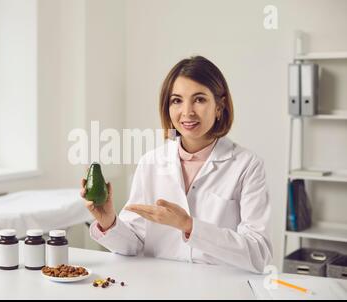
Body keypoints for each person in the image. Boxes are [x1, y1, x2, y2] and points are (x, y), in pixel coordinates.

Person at [80, 56, 272, 273]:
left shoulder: (247, 165)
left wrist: (189, 226)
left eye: (199, 99)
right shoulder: (151, 162)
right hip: (161, 288)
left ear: (220, 106)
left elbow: (259, 253)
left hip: (220, 289)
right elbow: (133, 246)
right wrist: (109, 222)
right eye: (177, 100)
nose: (187, 112)